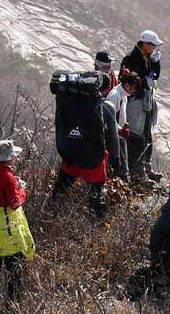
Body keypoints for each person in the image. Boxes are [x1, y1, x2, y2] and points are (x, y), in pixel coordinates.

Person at [50, 70, 120, 218]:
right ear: (106, 89)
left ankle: (51, 213)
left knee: (62, 187)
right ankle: (96, 222)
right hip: (94, 153)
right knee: (96, 192)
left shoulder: (73, 100)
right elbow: (113, 137)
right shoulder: (107, 107)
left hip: (71, 151)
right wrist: (117, 156)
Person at [0, 139, 36, 302]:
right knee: (13, 264)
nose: (14, 159)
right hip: (7, 225)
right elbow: (14, 203)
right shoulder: (7, 176)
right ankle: (12, 303)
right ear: (7, 158)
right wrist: (21, 190)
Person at [121, 30, 163, 182]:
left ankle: (147, 167)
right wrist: (145, 82)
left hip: (145, 102)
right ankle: (137, 172)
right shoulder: (130, 59)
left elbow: (154, 75)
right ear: (145, 43)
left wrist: (156, 63)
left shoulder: (147, 58)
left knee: (147, 135)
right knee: (136, 136)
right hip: (135, 102)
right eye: (153, 45)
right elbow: (127, 82)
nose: (154, 48)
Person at [105, 70, 141, 182]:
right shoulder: (115, 95)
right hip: (112, 135)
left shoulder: (124, 95)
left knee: (123, 164)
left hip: (119, 134)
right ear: (127, 85)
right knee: (118, 165)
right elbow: (108, 119)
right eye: (133, 88)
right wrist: (119, 130)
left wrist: (124, 126)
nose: (134, 91)